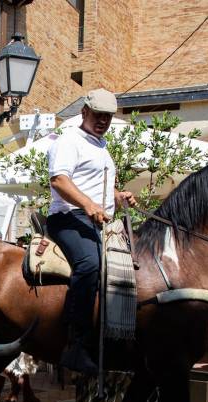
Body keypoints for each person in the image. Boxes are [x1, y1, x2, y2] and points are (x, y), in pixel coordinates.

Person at [47, 88, 136, 375]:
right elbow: (60, 180)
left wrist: (119, 196)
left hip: (97, 221)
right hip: (67, 218)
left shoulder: (101, 145)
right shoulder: (69, 139)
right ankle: (75, 345)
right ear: (84, 112)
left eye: (107, 117)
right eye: (98, 115)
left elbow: (99, 187)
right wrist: (87, 204)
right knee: (89, 264)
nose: (103, 121)